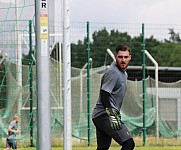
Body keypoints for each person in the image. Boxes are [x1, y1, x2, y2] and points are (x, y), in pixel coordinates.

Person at [92, 44, 135, 150]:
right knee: (129, 143)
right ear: (116, 57)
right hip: (105, 115)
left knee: (103, 147)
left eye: (125, 57)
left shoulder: (124, 74)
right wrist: (111, 114)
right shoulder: (113, 72)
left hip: (100, 115)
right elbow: (104, 94)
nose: (123, 60)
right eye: (120, 57)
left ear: (130, 57)